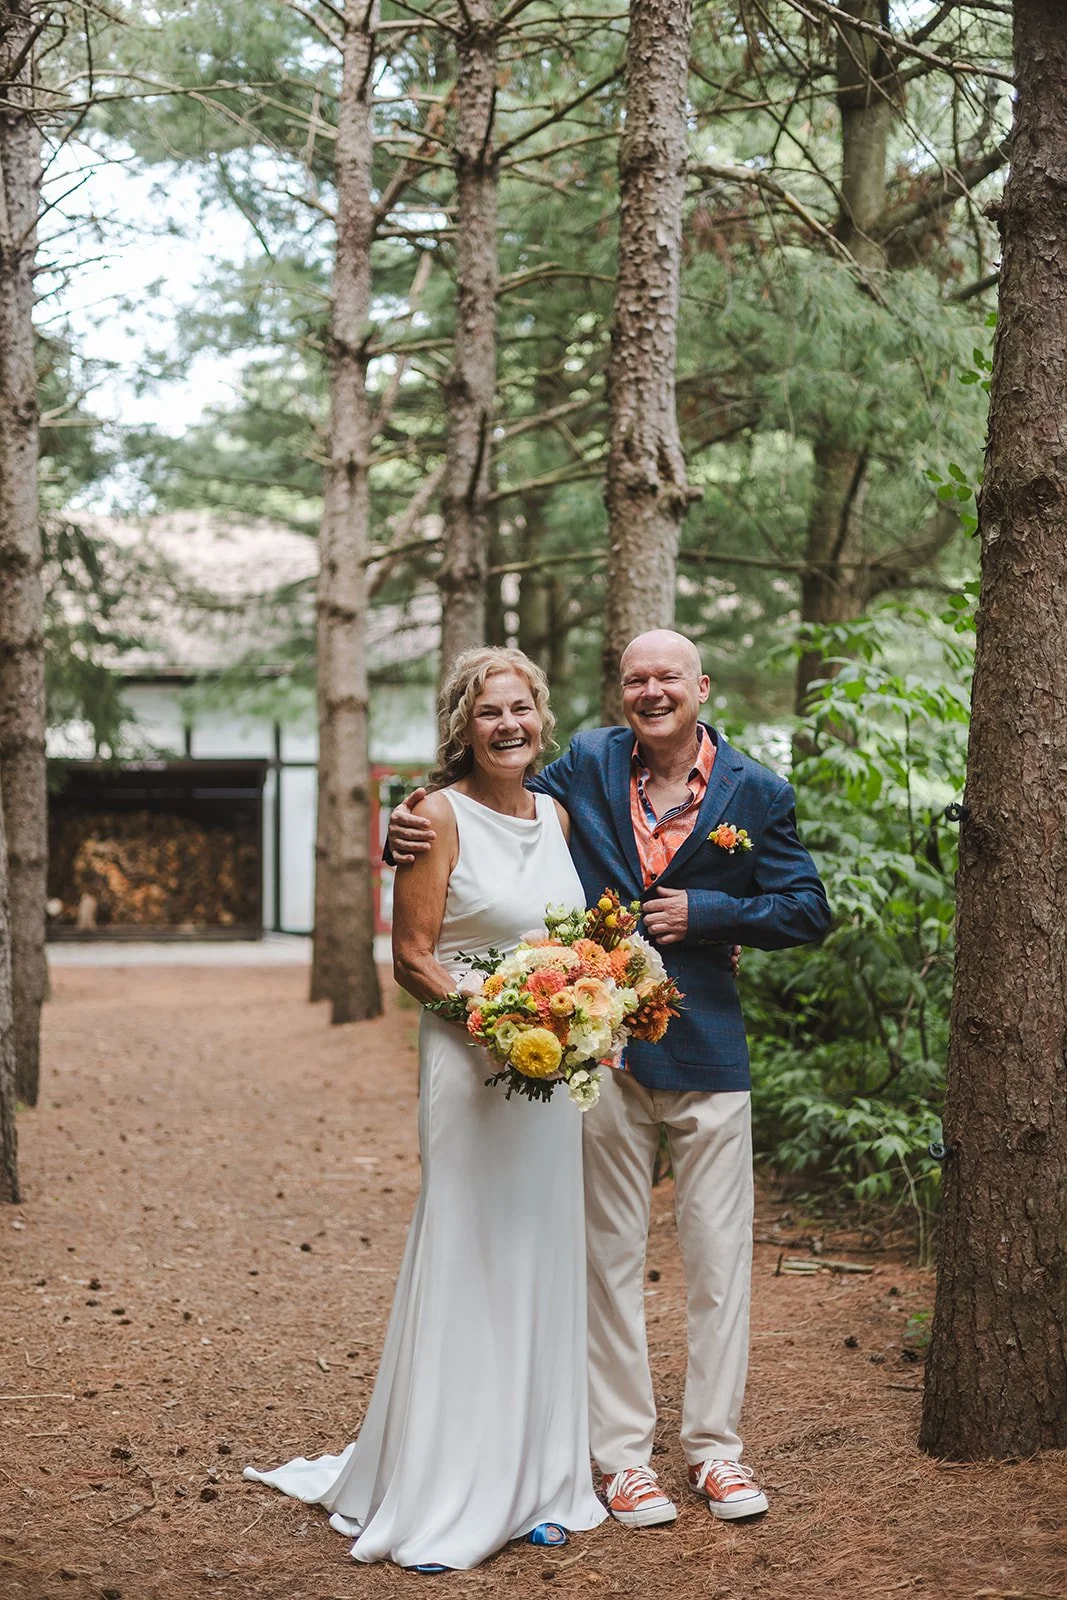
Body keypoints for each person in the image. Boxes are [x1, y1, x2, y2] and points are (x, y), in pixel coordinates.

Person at [388, 629, 831, 1529]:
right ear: (620, 693)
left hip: (709, 1052)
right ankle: (623, 1459)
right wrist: (406, 816)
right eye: (636, 679)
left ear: (701, 686)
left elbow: (805, 908)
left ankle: (716, 1451)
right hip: (600, 1061)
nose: (652, 690)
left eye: (668, 676)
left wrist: (709, 911)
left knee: (717, 1263)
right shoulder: (583, 766)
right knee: (606, 1261)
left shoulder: (758, 791)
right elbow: (484, 812)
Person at [245, 647, 607, 1570]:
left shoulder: (560, 814)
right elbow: (411, 957)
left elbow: (573, 939)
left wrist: (583, 1014)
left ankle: (540, 1482)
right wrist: (496, 1025)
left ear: (541, 716)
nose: (508, 725)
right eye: (489, 711)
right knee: (469, 1252)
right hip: (471, 1061)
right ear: (462, 724)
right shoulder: (431, 818)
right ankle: (445, 1487)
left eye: (521, 708)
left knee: (541, 1259)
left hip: (551, 1077)